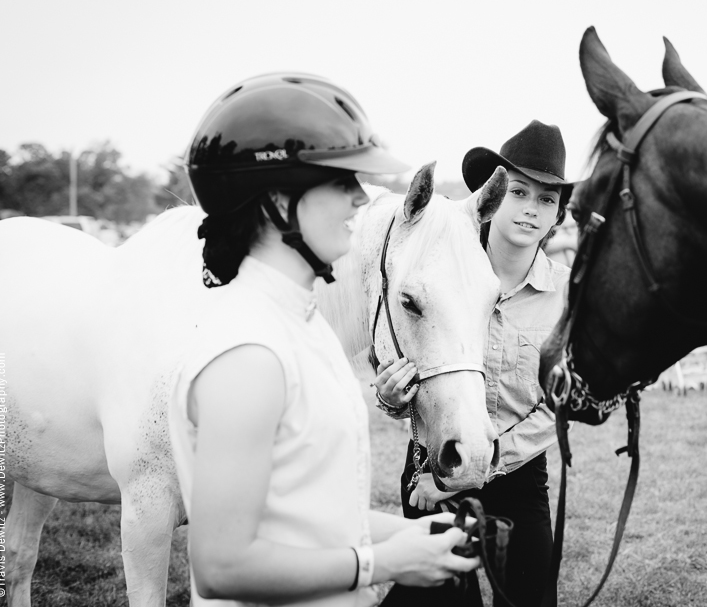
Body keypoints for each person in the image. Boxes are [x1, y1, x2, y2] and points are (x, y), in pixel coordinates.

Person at [169, 72, 479, 607]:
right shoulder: (248, 353)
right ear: (275, 201)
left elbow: (310, 516)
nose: (362, 198)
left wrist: (411, 536)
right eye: (341, 182)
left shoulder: (302, 324)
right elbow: (221, 566)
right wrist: (384, 563)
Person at [376, 120, 572, 607]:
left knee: (530, 598)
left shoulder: (568, 295)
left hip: (520, 472)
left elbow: (557, 405)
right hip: (433, 464)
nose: (530, 208)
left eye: (546, 200)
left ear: (558, 215)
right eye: (519, 192)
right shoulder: (444, 273)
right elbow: (414, 359)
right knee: (440, 600)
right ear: (493, 197)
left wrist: (485, 467)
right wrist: (392, 398)